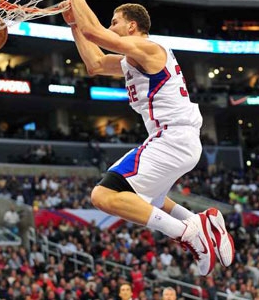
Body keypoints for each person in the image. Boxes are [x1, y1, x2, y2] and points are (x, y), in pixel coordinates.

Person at [60, 0, 235, 276]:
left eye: (114, 22)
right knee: (144, 200)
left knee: (103, 196)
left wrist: (76, 2)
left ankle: (187, 233)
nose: (110, 27)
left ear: (132, 26)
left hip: (172, 138)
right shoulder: (134, 58)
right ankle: (201, 222)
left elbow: (94, 32)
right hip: (176, 139)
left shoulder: (149, 48)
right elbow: (94, 63)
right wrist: (73, 24)